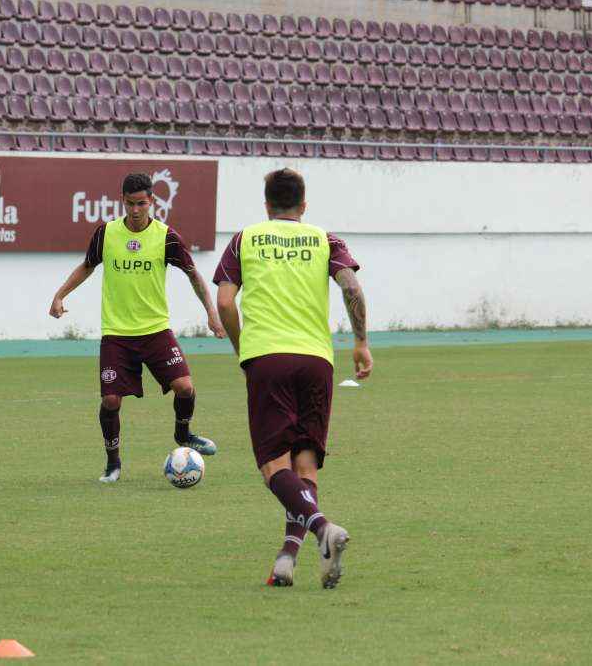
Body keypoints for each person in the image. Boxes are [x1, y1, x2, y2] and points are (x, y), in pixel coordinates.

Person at [213, 168, 373, 589]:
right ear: (304, 206)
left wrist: (241, 345)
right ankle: (287, 558)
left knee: (273, 467)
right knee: (305, 463)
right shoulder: (325, 239)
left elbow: (225, 302)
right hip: (317, 361)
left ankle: (322, 528)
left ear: (266, 206)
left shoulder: (244, 239)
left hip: (268, 357)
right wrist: (360, 342)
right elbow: (351, 286)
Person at [50, 172, 225, 483]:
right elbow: (88, 265)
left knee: (185, 387)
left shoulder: (166, 236)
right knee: (110, 400)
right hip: (117, 333)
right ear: (122, 201)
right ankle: (113, 464)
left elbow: (193, 274)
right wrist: (61, 294)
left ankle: (183, 434)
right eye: (130, 204)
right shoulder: (106, 234)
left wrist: (212, 314)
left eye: (141, 204)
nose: (135, 210)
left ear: (151, 202)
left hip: (156, 330)